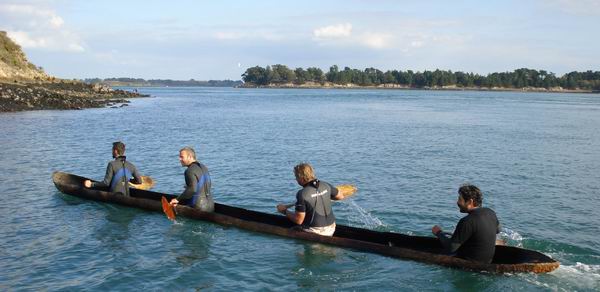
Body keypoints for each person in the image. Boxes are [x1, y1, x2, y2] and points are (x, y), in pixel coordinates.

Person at [431, 184, 501, 263]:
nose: (457, 202)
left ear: (470, 202)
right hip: (488, 261)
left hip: (470, 263)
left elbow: (451, 248)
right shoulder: (491, 212)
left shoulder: (467, 221)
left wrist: (438, 233)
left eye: (460, 199)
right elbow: (498, 230)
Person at [276, 163, 346, 236]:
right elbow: (340, 196)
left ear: (301, 178)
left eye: (296, 177)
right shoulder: (326, 184)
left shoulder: (302, 194)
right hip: (332, 228)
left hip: (316, 232)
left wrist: (284, 211)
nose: (296, 180)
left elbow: (298, 220)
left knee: (292, 230)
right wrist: (323, 196)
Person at [169, 146, 214, 212]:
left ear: (190, 157)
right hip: (211, 207)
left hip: (198, 208)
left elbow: (192, 190)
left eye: (182, 157)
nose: (179, 159)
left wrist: (177, 199)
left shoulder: (189, 170)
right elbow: (206, 186)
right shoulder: (204, 167)